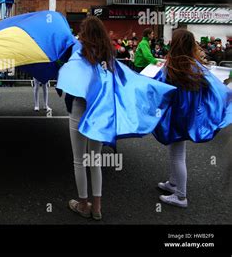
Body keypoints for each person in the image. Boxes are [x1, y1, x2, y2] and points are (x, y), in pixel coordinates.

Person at [56, 17, 176, 221]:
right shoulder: (108, 58)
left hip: (79, 109)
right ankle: (97, 207)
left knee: (79, 161)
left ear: (84, 35)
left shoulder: (78, 55)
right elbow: (128, 80)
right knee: (95, 160)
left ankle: (83, 204)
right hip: (100, 114)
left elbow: (64, 80)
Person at [152, 29, 232, 208]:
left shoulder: (173, 66)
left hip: (176, 117)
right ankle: (173, 183)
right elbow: (216, 88)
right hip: (187, 117)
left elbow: (158, 87)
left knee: (177, 154)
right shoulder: (195, 66)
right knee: (176, 152)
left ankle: (181, 196)